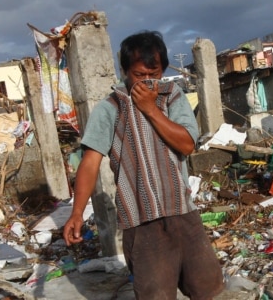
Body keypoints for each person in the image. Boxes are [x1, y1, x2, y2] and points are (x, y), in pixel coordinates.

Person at [63, 30, 223, 300]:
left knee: (208, 287)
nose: (147, 82)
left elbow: (186, 144)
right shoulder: (110, 108)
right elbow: (90, 163)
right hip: (141, 223)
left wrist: (150, 108)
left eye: (154, 73)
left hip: (182, 212)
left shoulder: (172, 96)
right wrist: (77, 213)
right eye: (139, 75)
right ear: (125, 71)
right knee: (155, 294)